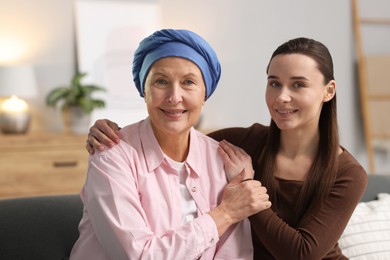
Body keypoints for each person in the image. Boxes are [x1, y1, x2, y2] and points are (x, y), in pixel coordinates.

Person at [86, 36, 368, 259]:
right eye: (274, 83)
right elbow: (178, 134)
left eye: (298, 85)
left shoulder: (347, 173)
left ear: (328, 91)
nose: (282, 97)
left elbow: (302, 253)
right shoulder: (240, 144)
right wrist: (109, 131)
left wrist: (245, 190)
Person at [70, 29, 272, 260]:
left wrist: (245, 183)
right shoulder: (110, 155)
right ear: (143, 91)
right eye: (161, 81)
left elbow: (236, 255)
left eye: (188, 82)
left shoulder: (223, 159)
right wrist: (225, 213)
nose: (174, 97)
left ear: (205, 92)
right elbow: (139, 256)